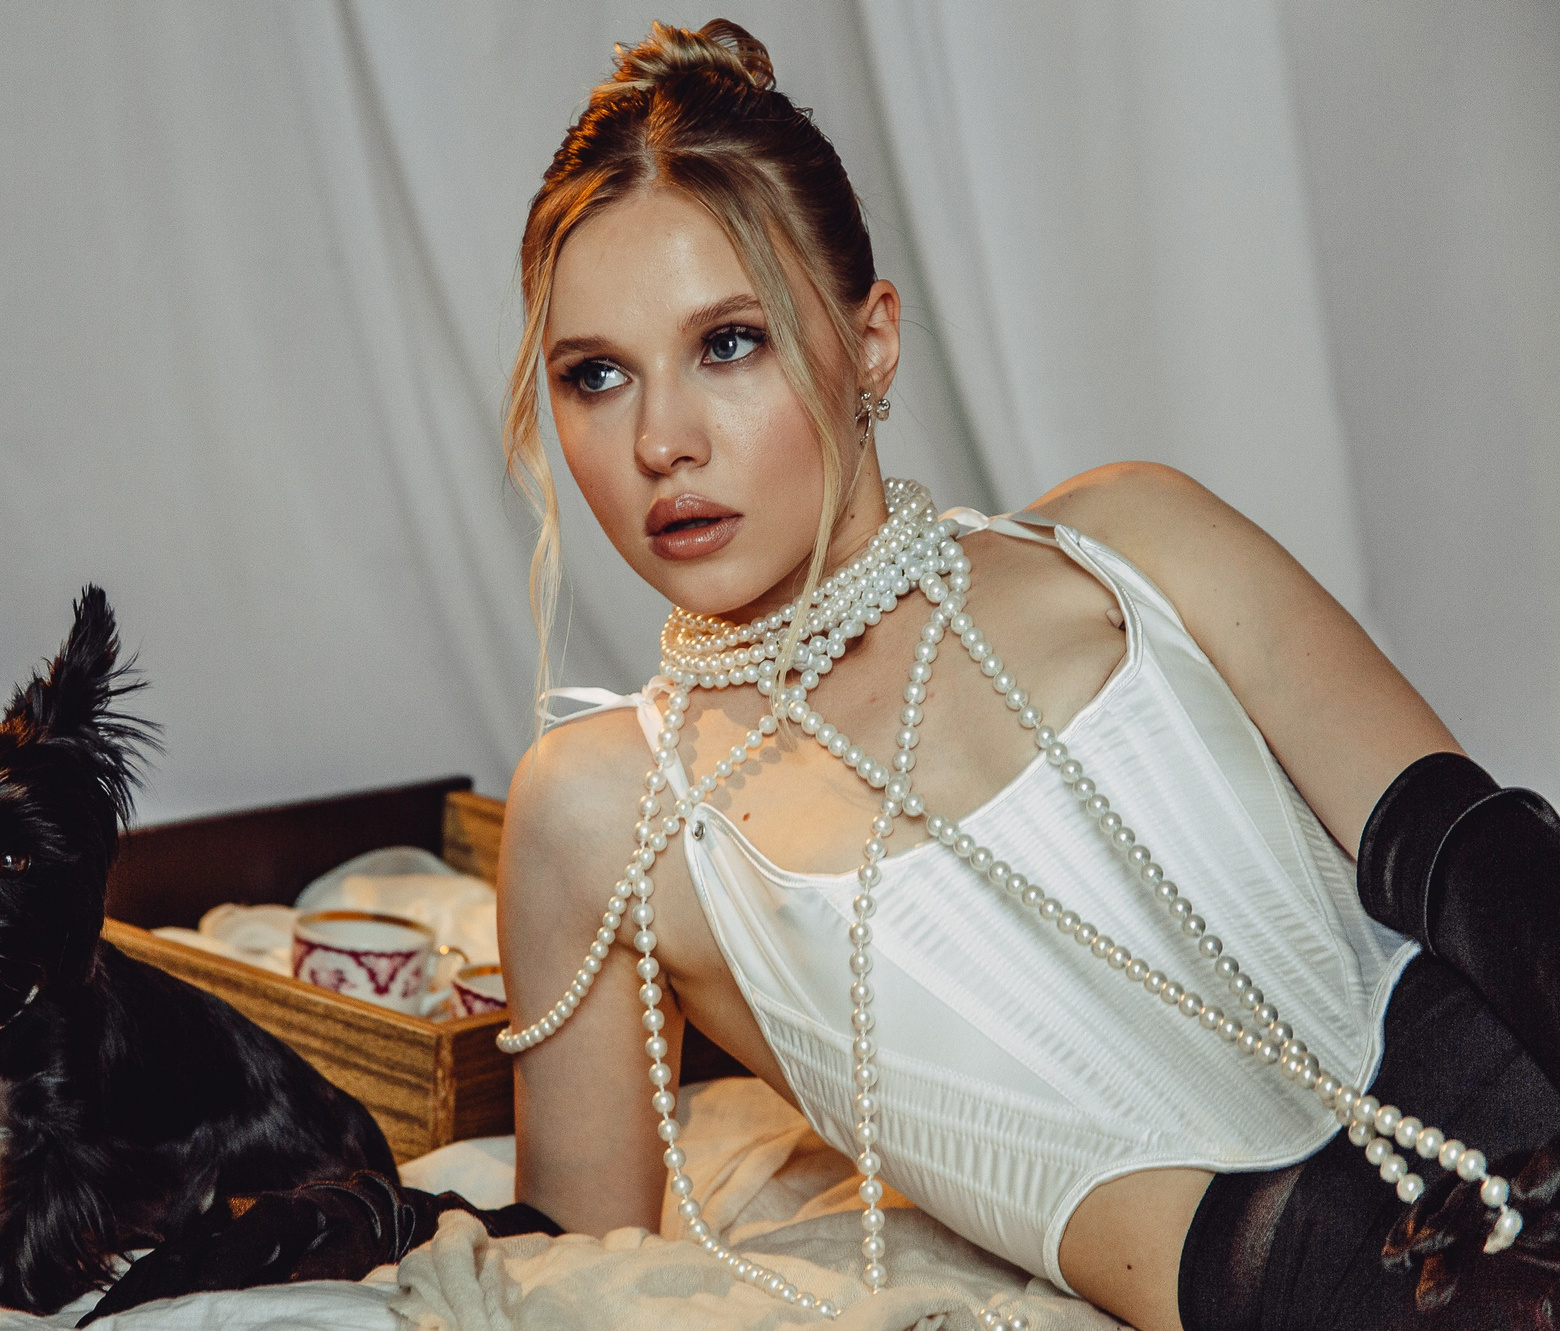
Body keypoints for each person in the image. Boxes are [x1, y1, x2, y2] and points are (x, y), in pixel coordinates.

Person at [495, 19, 1560, 1330]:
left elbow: (1482, 868)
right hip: (1317, 1297)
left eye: (730, 343)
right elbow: (572, 1270)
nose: (662, 440)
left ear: (871, 343)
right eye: (597, 375)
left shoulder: (1129, 542)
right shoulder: (599, 809)